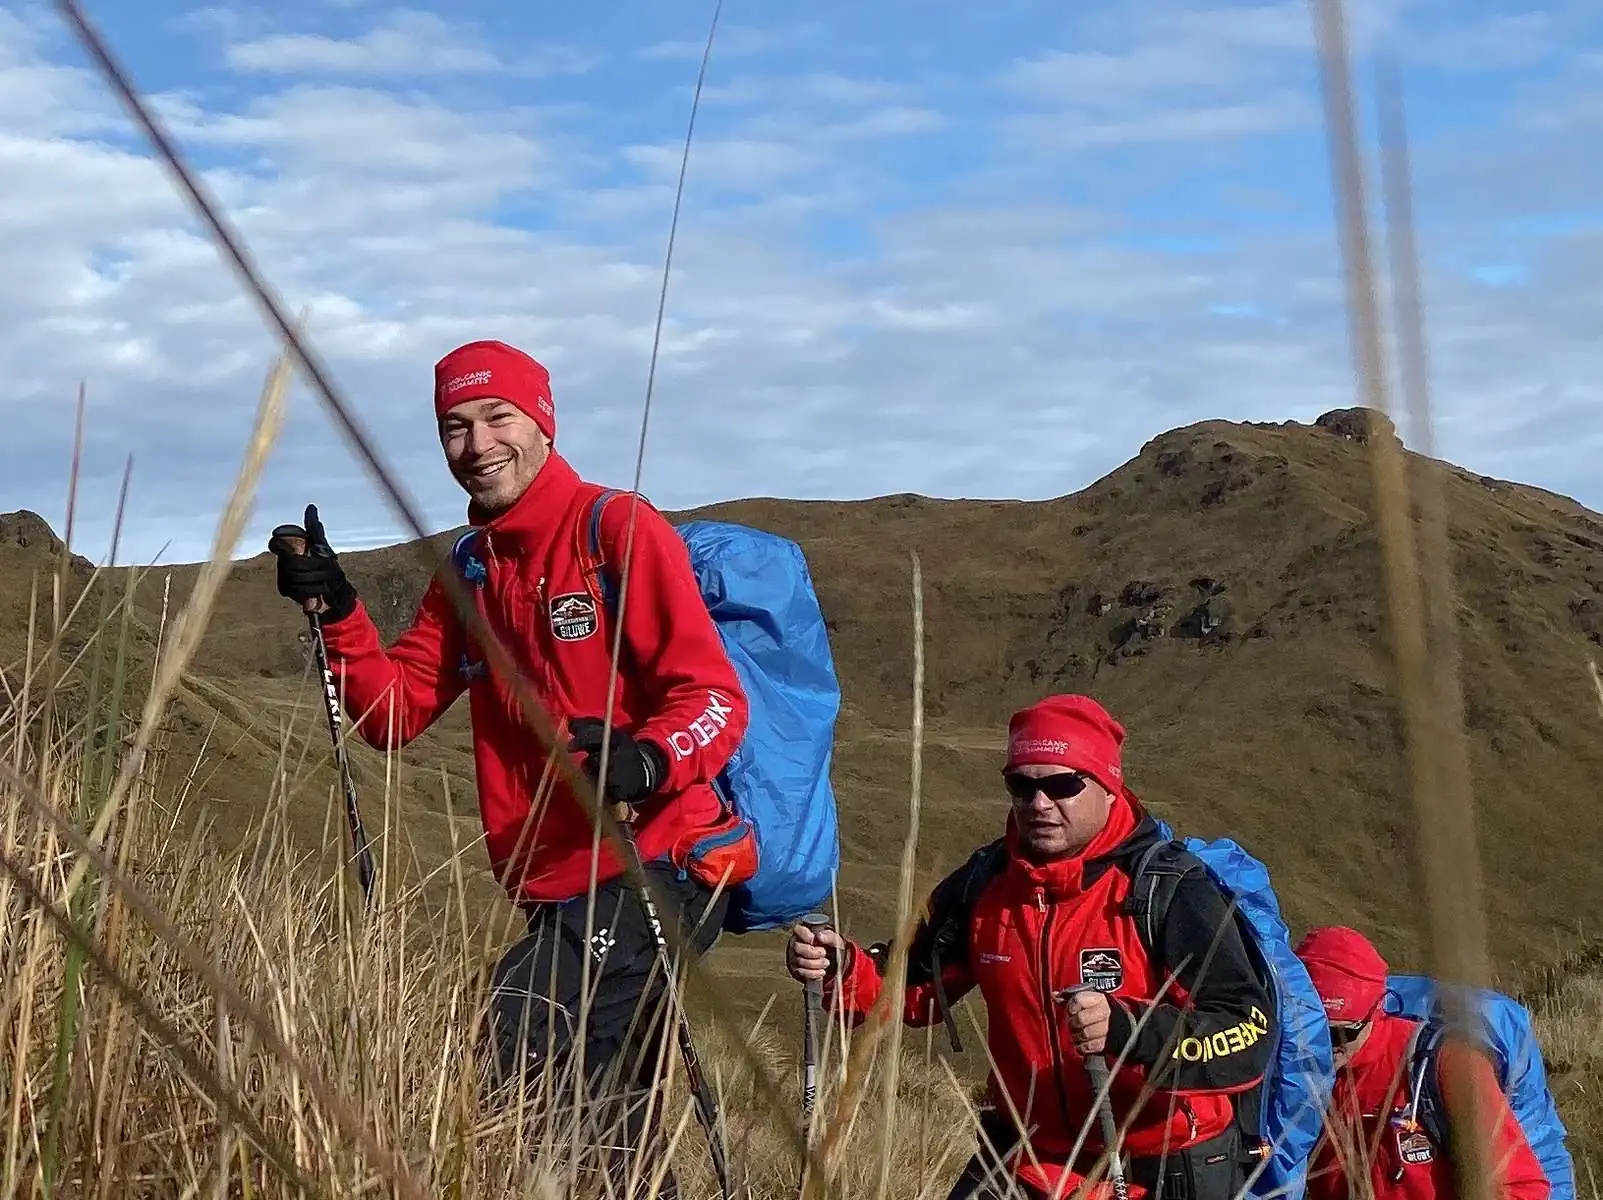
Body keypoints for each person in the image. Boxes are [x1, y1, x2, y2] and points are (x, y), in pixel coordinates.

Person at [268, 338, 752, 1196]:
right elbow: (393, 714)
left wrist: (646, 759)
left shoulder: (614, 530)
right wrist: (339, 612)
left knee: (521, 1032)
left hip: (662, 865)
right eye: (454, 427)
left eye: (498, 418)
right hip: (556, 887)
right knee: (609, 1115)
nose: (477, 444)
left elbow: (714, 698)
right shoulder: (468, 569)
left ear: (543, 423)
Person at [788, 693, 1276, 1200]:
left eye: (1062, 784)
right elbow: (912, 986)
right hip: (1026, 1157)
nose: (1039, 804)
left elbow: (1247, 1027)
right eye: (1021, 786)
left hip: (1159, 1165)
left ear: (1109, 788)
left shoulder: (1169, 889)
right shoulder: (986, 881)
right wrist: (840, 968)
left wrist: (1130, 1029)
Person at [1295, 926, 1551, 1200]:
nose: (1328, 1045)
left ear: (1377, 1008)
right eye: (1314, 1030)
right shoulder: (1293, 1077)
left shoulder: (1446, 1064)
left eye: (1342, 1032)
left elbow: (1524, 1188)